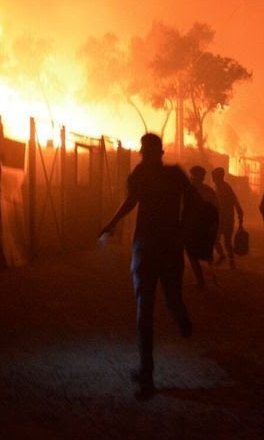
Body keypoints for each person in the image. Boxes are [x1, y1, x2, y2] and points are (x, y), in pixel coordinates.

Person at [99, 133, 193, 399]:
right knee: (172, 297)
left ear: (144, 152)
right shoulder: (175, 175)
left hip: (146, 248)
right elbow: (193, 201)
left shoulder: (140, 174)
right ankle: (180, 317)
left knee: (145, 311)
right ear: (161, 152)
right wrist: (182, 229)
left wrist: (111, 223)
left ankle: (147, 375)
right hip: (170, 247)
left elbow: (130, 202)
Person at [185, 165, 218, 288]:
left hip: (201, 227)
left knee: (197, 254)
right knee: (196, 254)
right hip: (195, 227)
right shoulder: (192, 191)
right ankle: (205, 280)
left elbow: (215, 209)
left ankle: (205, 280)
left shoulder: (204, 191)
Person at [211, 167, 244, 269]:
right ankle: (223, 256)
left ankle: (230, 260)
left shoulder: (226, 188)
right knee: (215, 239)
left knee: (226, 241)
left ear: (219, 176)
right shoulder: (216, 187)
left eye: (214, 176)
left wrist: (239, 214)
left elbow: (235, 201)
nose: (213, 178)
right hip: (219, 219)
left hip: (227, 219)